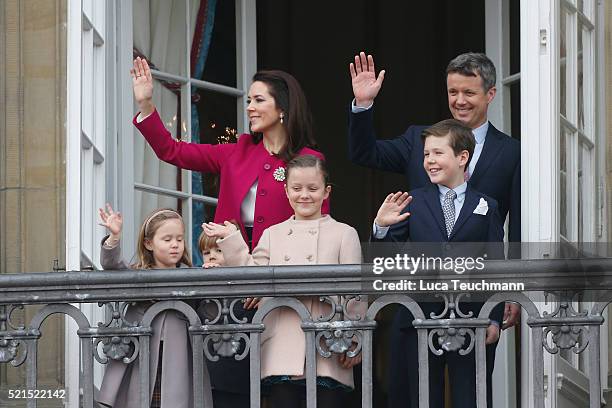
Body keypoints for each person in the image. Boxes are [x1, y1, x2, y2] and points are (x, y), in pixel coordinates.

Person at [348, 51, 521, 330]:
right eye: (453, 92)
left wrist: (511, 288)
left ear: (490, 94)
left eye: (469, 92)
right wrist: (363, 104)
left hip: (478, 296)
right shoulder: (419, 141)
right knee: (416, 374)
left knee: (473, 374)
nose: (460, 101)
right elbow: (364, 153)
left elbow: (517, 229)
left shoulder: (511, 152)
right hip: (419, 297)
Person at [203, 155, 365, 408]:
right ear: (286, 191)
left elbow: (355, 292)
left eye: (313, 189)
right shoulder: (272, 234)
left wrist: (355, 340)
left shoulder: (345, 233)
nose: (305, 195)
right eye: (297, 188)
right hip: (282, 341)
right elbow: (251, 278)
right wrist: (233, 239)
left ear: (326, 191)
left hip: (329, 341)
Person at [372, 119, 504, 408]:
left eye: (437, 153)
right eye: (426, 155)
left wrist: (493, 317)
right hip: (419, 315)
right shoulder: (412, 201)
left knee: (469, 396)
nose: (429, 160)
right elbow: (384, 260)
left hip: (470, 318)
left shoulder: (487, 205)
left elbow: (496, 265)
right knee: (422, 397)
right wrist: (380, 227)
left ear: (462, 157)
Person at [131, 57, 329, 249]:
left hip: (286, 265)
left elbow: (318, 226)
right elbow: (171, 150)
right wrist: (145, 104)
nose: (250, 108)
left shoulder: (309, 160)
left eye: (259, 100)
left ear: (282, 109)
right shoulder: (235, 152)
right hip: (231, 267)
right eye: (249, 101)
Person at [96, 204, 212, 408]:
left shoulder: (193, 276)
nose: (175, 245)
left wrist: (214, 276)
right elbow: (113, 266)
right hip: (143, 356)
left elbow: (210, 312)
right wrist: (114, 237)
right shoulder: (138, 275)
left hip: (179, 358)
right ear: (149, 243)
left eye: (179, 239)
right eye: (167, 240)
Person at [195, 223, 257, 408]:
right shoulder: (200, 284)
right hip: (209, 371)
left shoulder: (245, 284)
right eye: (207, 252)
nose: (212, 255)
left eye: (219, 250)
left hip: (239, 372)